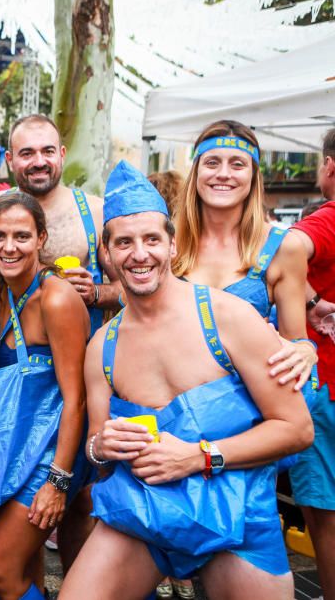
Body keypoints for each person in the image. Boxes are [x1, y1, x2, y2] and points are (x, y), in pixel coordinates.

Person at [60, 161, 313, 600]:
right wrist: (100, 446)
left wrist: (200, 457)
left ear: (173, 245)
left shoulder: (229, 317)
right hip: (145, 512)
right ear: (106, 254)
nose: (139, 254)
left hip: (239, 514)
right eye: (124, 242)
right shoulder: (103, 346)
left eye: (152, 239)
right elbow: (98, 449)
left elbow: (296, 428)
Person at [169, 121, 317, 600]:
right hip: (174, 422)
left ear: (254, 176)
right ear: (195, 171)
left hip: (244, 436)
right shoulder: (170, 244)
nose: (223, 174)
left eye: (237, 164)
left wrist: (305, 349)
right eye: (212, 162)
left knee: (240, 561)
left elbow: (296, 338)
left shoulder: (283, 247)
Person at [0, 114, 116, 567]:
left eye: (47, 151)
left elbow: (144, 283)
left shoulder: (94, 211)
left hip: (85, 388)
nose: (39, 162)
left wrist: (96, 291)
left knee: (83, 508)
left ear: (61, 155)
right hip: (20, 391)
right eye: (27, 153)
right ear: (10, 159)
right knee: (17, 541)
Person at [0, 192, 88, 600]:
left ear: (41, 239)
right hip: (12, 443)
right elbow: (2, 370)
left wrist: (58, 482)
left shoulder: (56, 298)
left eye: (21, 236)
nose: (9, 247)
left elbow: (77, 399)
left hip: (53, 451)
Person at [287, 126, 335, 600]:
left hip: (324, 382)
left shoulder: (329, 218)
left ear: (329, 167)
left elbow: (287, 251)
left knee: (325, 517)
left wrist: (314, 300)